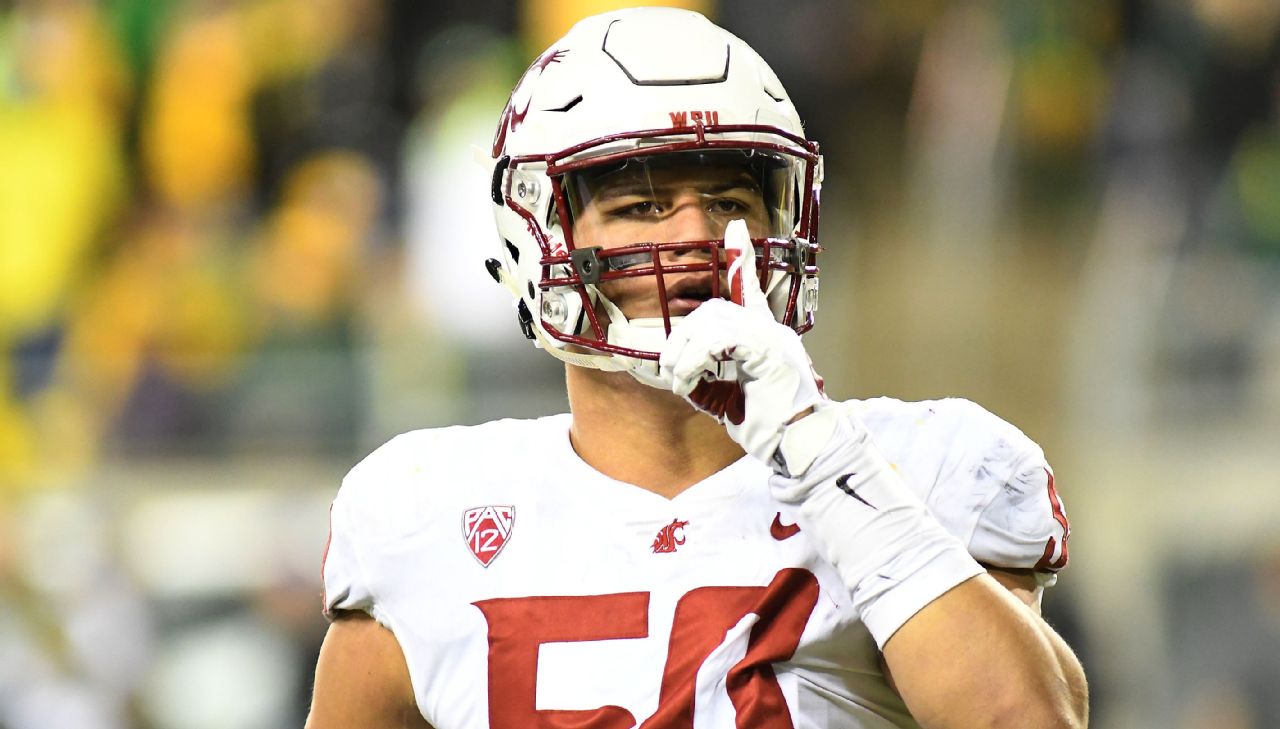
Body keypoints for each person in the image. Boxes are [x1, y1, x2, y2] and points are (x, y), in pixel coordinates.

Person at [304, 7, 1088, 729]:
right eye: (642, 206)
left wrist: (819, 452)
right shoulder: (426, 515)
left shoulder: (914, 466)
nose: (697, 237)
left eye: (730, 201)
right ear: (537, 235)